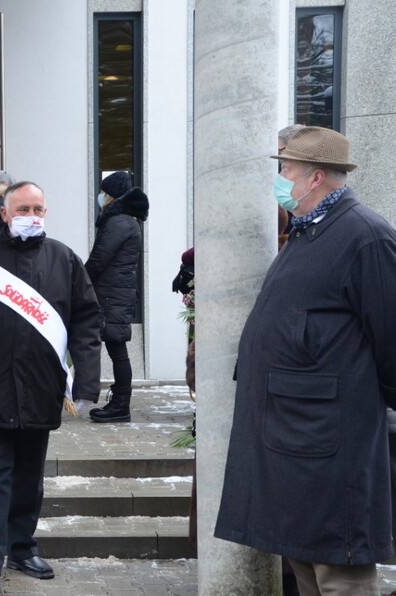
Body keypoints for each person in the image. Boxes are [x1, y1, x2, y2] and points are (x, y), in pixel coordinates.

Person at [215, 127, 396, 596]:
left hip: (332, 442)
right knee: (304, 565)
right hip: (293, 436)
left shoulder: (365, 237)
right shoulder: (310, 231)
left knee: (341, 574)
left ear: (315, 178)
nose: (279, 179)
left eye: (286, 170)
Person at [0, 181, 102, 594]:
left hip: (41, 386)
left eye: (39, 208)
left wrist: (87, 381)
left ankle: (22, 548)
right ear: (5, 214)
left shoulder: (64, 259)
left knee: (29, 477)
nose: (32, 215)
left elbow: (86, 323)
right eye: (24, 208)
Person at [85, 171, 149, 423]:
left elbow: (100, 259)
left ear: (111, 196)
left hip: (111, 295)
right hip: (115, 292)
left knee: (117, 348)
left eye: (103, 193)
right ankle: (118, 402)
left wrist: (79, 279)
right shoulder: (125, 221)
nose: (100, 197)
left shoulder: (118, 222)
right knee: (115, 347)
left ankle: (121, 405)